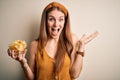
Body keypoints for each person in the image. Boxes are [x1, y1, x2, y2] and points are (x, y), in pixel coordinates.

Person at [7, 2, 98, 80]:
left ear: (65, 22)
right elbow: (31, 78)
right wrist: (24, 63)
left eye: (61, 19)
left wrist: (81, 48)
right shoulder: (35, 45)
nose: (56, 24)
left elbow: (75, 74)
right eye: (51, 19)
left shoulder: (72, 39)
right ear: (45, 21)